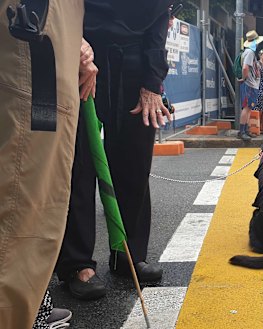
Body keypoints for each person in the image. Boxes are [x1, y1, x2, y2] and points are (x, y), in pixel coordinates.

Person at [54, 1, 173, 301]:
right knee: (78, 164)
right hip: (78, 53)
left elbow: (159, 20)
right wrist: (74, 45)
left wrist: (152, 82)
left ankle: (127, 254)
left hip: (133, 61)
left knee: (134, 162)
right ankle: (77, 263)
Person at [0, 1, 85, 327]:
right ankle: (21, 311)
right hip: (36, 19)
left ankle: (34, 305)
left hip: (34, 20)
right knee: (28, 194)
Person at [237, 30, 263, 140]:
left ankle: (245, 129)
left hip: (252, 84)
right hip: (250, 84)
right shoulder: (249, 53)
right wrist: (244, 79)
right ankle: (242, 131)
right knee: (247, 107)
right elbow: (245, 67)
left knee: (249, 107)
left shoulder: (249, 52)